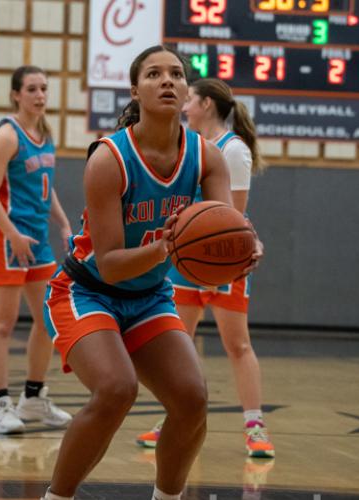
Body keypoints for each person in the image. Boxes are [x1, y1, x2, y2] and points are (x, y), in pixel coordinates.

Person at [41, 46, 263, 500]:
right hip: (87, 291)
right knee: (116, 389)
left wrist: (243, 248)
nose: (167, 80)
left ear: (185, 92)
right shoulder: (109, 159)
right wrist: (167, 246)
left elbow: (223, 227)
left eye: (176, 74)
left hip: (148, 295)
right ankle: (56, 498)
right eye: (155, 74)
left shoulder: (207, 158)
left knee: (191, 398)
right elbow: (110, 263)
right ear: (135, 90)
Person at [136, 78, 274, 459]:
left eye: (190, 100)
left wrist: (252, 242)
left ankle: (254, 425)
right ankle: (174, 417)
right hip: (185, 260)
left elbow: (234, 217)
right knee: (180, 342)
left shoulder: (233, 150)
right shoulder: (188, 145)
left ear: (208, 105)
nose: (184, 107)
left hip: (223, 259)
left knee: (238, 344)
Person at [0, 65, 73, 434]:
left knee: (48, 320)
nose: (40, 95)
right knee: (2, 323)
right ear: (16, 94)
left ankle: (32, 398)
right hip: (5, 239)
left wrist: (63, 223)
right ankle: (0, 406)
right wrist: (13, 234)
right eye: (32, 89)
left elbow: (45, 190)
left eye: (44, 88)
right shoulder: (7, 135)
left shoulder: (44, 132)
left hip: (38, 240)